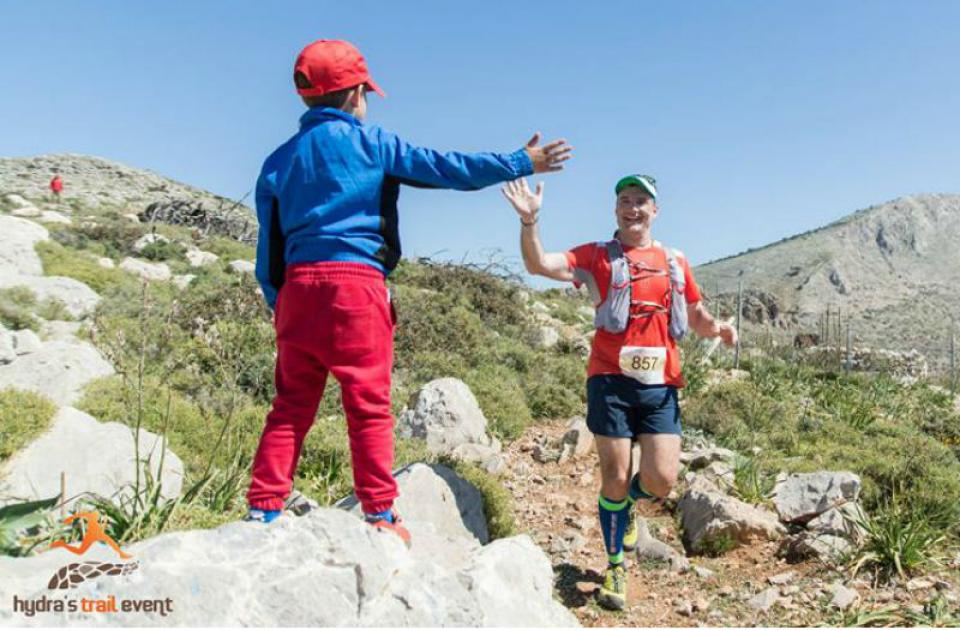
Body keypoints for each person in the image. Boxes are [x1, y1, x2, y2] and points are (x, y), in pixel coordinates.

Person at [245, 39, 573, 545]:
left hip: (298, 289)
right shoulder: (375, 145)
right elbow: (448, 168)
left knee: (290, 406)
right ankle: (379, 514)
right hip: (356, 286)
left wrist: (280, 301)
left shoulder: (277, 161)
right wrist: (519, 162)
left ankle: (263, 509)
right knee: (368, 406)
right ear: (356, 93)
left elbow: (269, 247)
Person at [502, 174, 736, 609]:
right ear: (615, 210)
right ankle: (615, 566)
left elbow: (696, 316)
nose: (633, 208)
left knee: (661, 480)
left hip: (660, 384)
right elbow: (540, 265)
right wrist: (529, 222)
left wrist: (718, 329)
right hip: (609, 380)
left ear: (655, 210)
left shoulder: (674, 261)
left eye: (641, 201)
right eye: (625, 200)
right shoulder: (596, 256)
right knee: (613, 475)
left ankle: (628, 503)